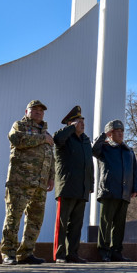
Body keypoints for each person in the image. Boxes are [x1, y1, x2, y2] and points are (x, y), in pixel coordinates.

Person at [0, 100, 54, 265]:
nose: (38, 112)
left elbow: (51, 157)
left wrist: (51, 177)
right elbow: (16, 139)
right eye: (34, 109)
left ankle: (26, 253)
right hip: (20, 182)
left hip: (40, 183)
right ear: (26, 111)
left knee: (35, 220)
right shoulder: (20, 126)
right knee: (13, 217)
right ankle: (8, 253)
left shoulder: (46, 133)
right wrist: (42, 138)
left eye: (41, 110)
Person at [52, 105, 94, 264]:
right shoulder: (64, 137)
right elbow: (57, 139)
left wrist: (90, 183)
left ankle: (72, 253)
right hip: (67, 186)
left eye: (83, 121)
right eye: (78, 121)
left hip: (82, 188)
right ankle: (60, 254)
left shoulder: (85, 140)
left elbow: (89, 164)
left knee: (76, 224)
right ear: (70, 123)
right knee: (62, 223)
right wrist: (70, 128)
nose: (82, 124)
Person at [92, 120, 137, 262]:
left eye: (122, 131)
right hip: (109, 190)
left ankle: (116, 251)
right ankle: (104, 251)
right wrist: (103, 135)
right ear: (110, 134)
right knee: (106, 224)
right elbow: (93, 149)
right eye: (117, 131)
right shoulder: (104, 148)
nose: (120, 133)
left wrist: (134, 188)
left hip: (124, 192)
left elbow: (134, 171)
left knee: (119, 225)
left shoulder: (129, 151)